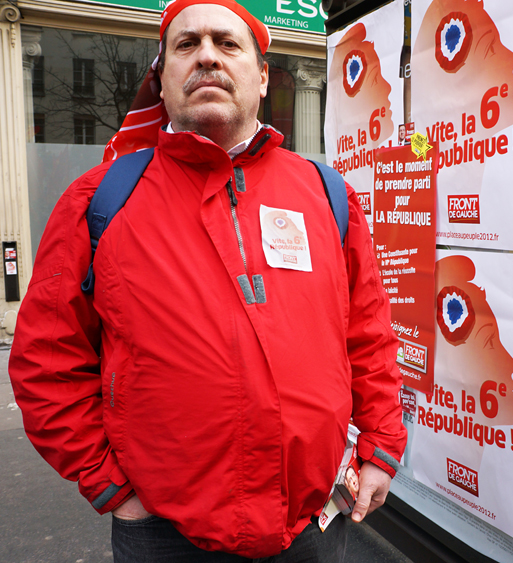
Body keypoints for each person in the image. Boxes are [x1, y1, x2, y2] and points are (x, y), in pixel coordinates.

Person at [8, 1, 406, 561]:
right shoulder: (100, 200)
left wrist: (382, 448)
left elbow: (367, 335)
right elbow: (44, 363)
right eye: (186, 46)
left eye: (227, 43)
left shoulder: (326, 193)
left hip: (311, 527)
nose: (207, 57)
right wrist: (110, 486)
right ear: (163, 78)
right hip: (163, 532)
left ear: (263, 77)